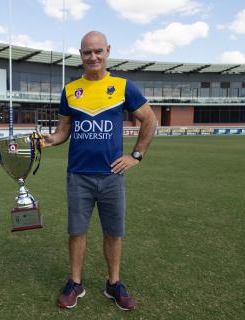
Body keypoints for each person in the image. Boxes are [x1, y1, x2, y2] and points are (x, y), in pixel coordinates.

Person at [42, 31, 157, 311]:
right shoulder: (71, 90)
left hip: (112, 176)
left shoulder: (122, 86)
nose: (92, 57)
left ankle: (114, 283)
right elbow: (64, 130)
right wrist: (50, 140)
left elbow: (150, 120)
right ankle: (75, 283)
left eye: (97, 51)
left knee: (113, 233)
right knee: (77, 232)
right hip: (78, 175)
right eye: (86, 52)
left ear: (107, 51)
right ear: (80, 55)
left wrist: (136, 155)